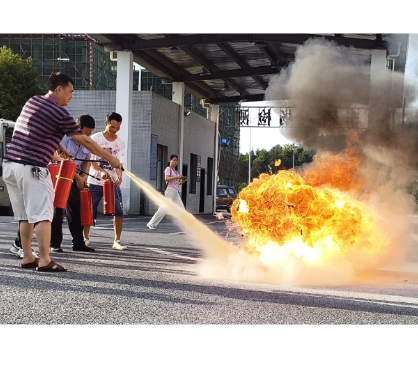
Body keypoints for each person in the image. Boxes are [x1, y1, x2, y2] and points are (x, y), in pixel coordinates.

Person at [2, 72, 121, 272]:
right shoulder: (59, 112)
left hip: (10, 165)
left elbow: (30, 128)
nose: (71, 96)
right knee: (43, 215)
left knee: (24, 216)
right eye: (70, 91)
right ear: (59, 89)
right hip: (32, 167)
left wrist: (57, 144)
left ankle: (28, 257)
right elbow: (85, 141)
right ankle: (45, 260)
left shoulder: (33, 101)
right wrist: (110, 158)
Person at [50, 114, 96, 253]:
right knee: (58, 211)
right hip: (61, 178)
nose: (85, 138)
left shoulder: (87, 141)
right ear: (77, 128)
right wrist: (77, 176)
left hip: (77, 179)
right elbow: (60, 161)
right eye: (84, 134)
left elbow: (87, 160)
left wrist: (84, 175)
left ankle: (78, 243)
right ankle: (55, 243)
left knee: (77, 212)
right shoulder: (64, 139)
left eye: (88, 135)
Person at [83, 112, 126, 251]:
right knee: (89, 209)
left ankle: (117, 241)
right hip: (95, 181)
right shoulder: (95, 139)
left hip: (111, 182)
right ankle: (85, 238)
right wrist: (101, 171)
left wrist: (119, 176)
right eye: (112, 127)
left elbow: (119, 164)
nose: (114, 130)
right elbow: (92, 161)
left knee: (119, 211)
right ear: (106, 123)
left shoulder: (120, 143)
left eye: (117, 128)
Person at [147, 154, 187, 230]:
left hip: (175, 191)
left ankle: (186, 226)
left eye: (176, 160)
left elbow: (177, 183)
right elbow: (166, 178)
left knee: (181, 208)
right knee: (164, 208)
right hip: (170, 190)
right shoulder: (168, 169)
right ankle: (151, 223)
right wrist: (177, 177)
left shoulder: (176, 171)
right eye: (174, 160)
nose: (175, 162)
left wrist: (183, 181)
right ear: (170, 161)